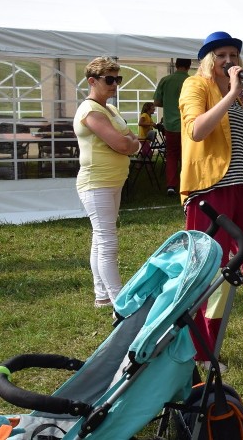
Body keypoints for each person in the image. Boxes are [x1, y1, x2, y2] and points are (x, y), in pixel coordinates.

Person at [179, 31, 243, 367]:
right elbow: (196, 131)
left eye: (233, 56)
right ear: (209, 59)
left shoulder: (237, 96)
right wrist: (233, 93)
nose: (229, 61)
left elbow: (227, 140)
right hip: (209, 188)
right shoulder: (195, 86)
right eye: (221, 55)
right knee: (213, 266)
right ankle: (203, 347)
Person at [73, 57, 141, 308]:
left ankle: (102, 295)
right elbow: (124, 143)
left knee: (100, 239)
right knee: (107, 241)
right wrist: (129, 145)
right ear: (92, 81)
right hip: (96, 182)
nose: (115, 85)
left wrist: (129, 144)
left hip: (112, 181)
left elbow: (132, 140)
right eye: (109, 80)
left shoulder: (110, 110)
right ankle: (119, 301)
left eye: (118, 79)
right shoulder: (90, 111)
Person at [154, 57, 192, 196]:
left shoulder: (165, 80)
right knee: (187, 155)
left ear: (176, 65)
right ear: (189, 66)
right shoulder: (191, 81)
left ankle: (171, 185)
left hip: (170, 125)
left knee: (171, 155)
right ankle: (187, 184)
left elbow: (157, 102)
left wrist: (169, 103)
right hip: (188, 124)